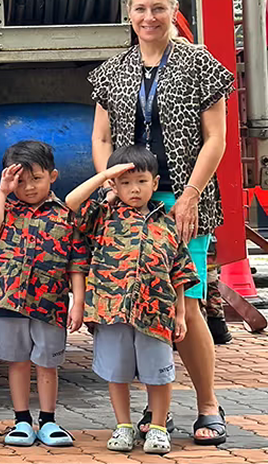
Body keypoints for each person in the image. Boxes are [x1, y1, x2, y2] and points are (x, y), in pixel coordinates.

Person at [89, 0, 233, 445]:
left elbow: (217, 138)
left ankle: (208, 405)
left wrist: (190, 193)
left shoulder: (199, 64)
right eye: (139, 9)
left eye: (158, 8)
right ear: (128, 14)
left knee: (184, 304)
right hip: (131, 204)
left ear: (174, 10)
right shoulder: (113, 71)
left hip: (182, 203)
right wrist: (111, 181)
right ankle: (157, 411)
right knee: (139, 305)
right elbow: (102, 137)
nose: (148, 17)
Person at [66, 145, 199, 455]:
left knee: (159, 373)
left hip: (156, 314)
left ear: (155, 183)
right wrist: (106, 177)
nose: (134, 189)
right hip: (111, 311)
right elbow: (72, 202)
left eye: (141, 181)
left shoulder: (167, 222)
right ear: (115, 185)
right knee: (116, 371)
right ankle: (123, 425)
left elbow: (178, 272)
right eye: (125, 183)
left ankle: (158, 427)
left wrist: (180, 315)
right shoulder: (102, 215)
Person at [0, 141, 87, 448]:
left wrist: (77, 301)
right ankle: (22, 420)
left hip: (50, 303)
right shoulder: (7, 208)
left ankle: (49, 421)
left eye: (36, 179)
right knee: (17, 362)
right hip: (9, 300)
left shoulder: (66, 215)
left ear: (53, 176)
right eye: (20, 181)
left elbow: (77, 262)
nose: (28, 187)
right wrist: (1, 191)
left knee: (47, 362)